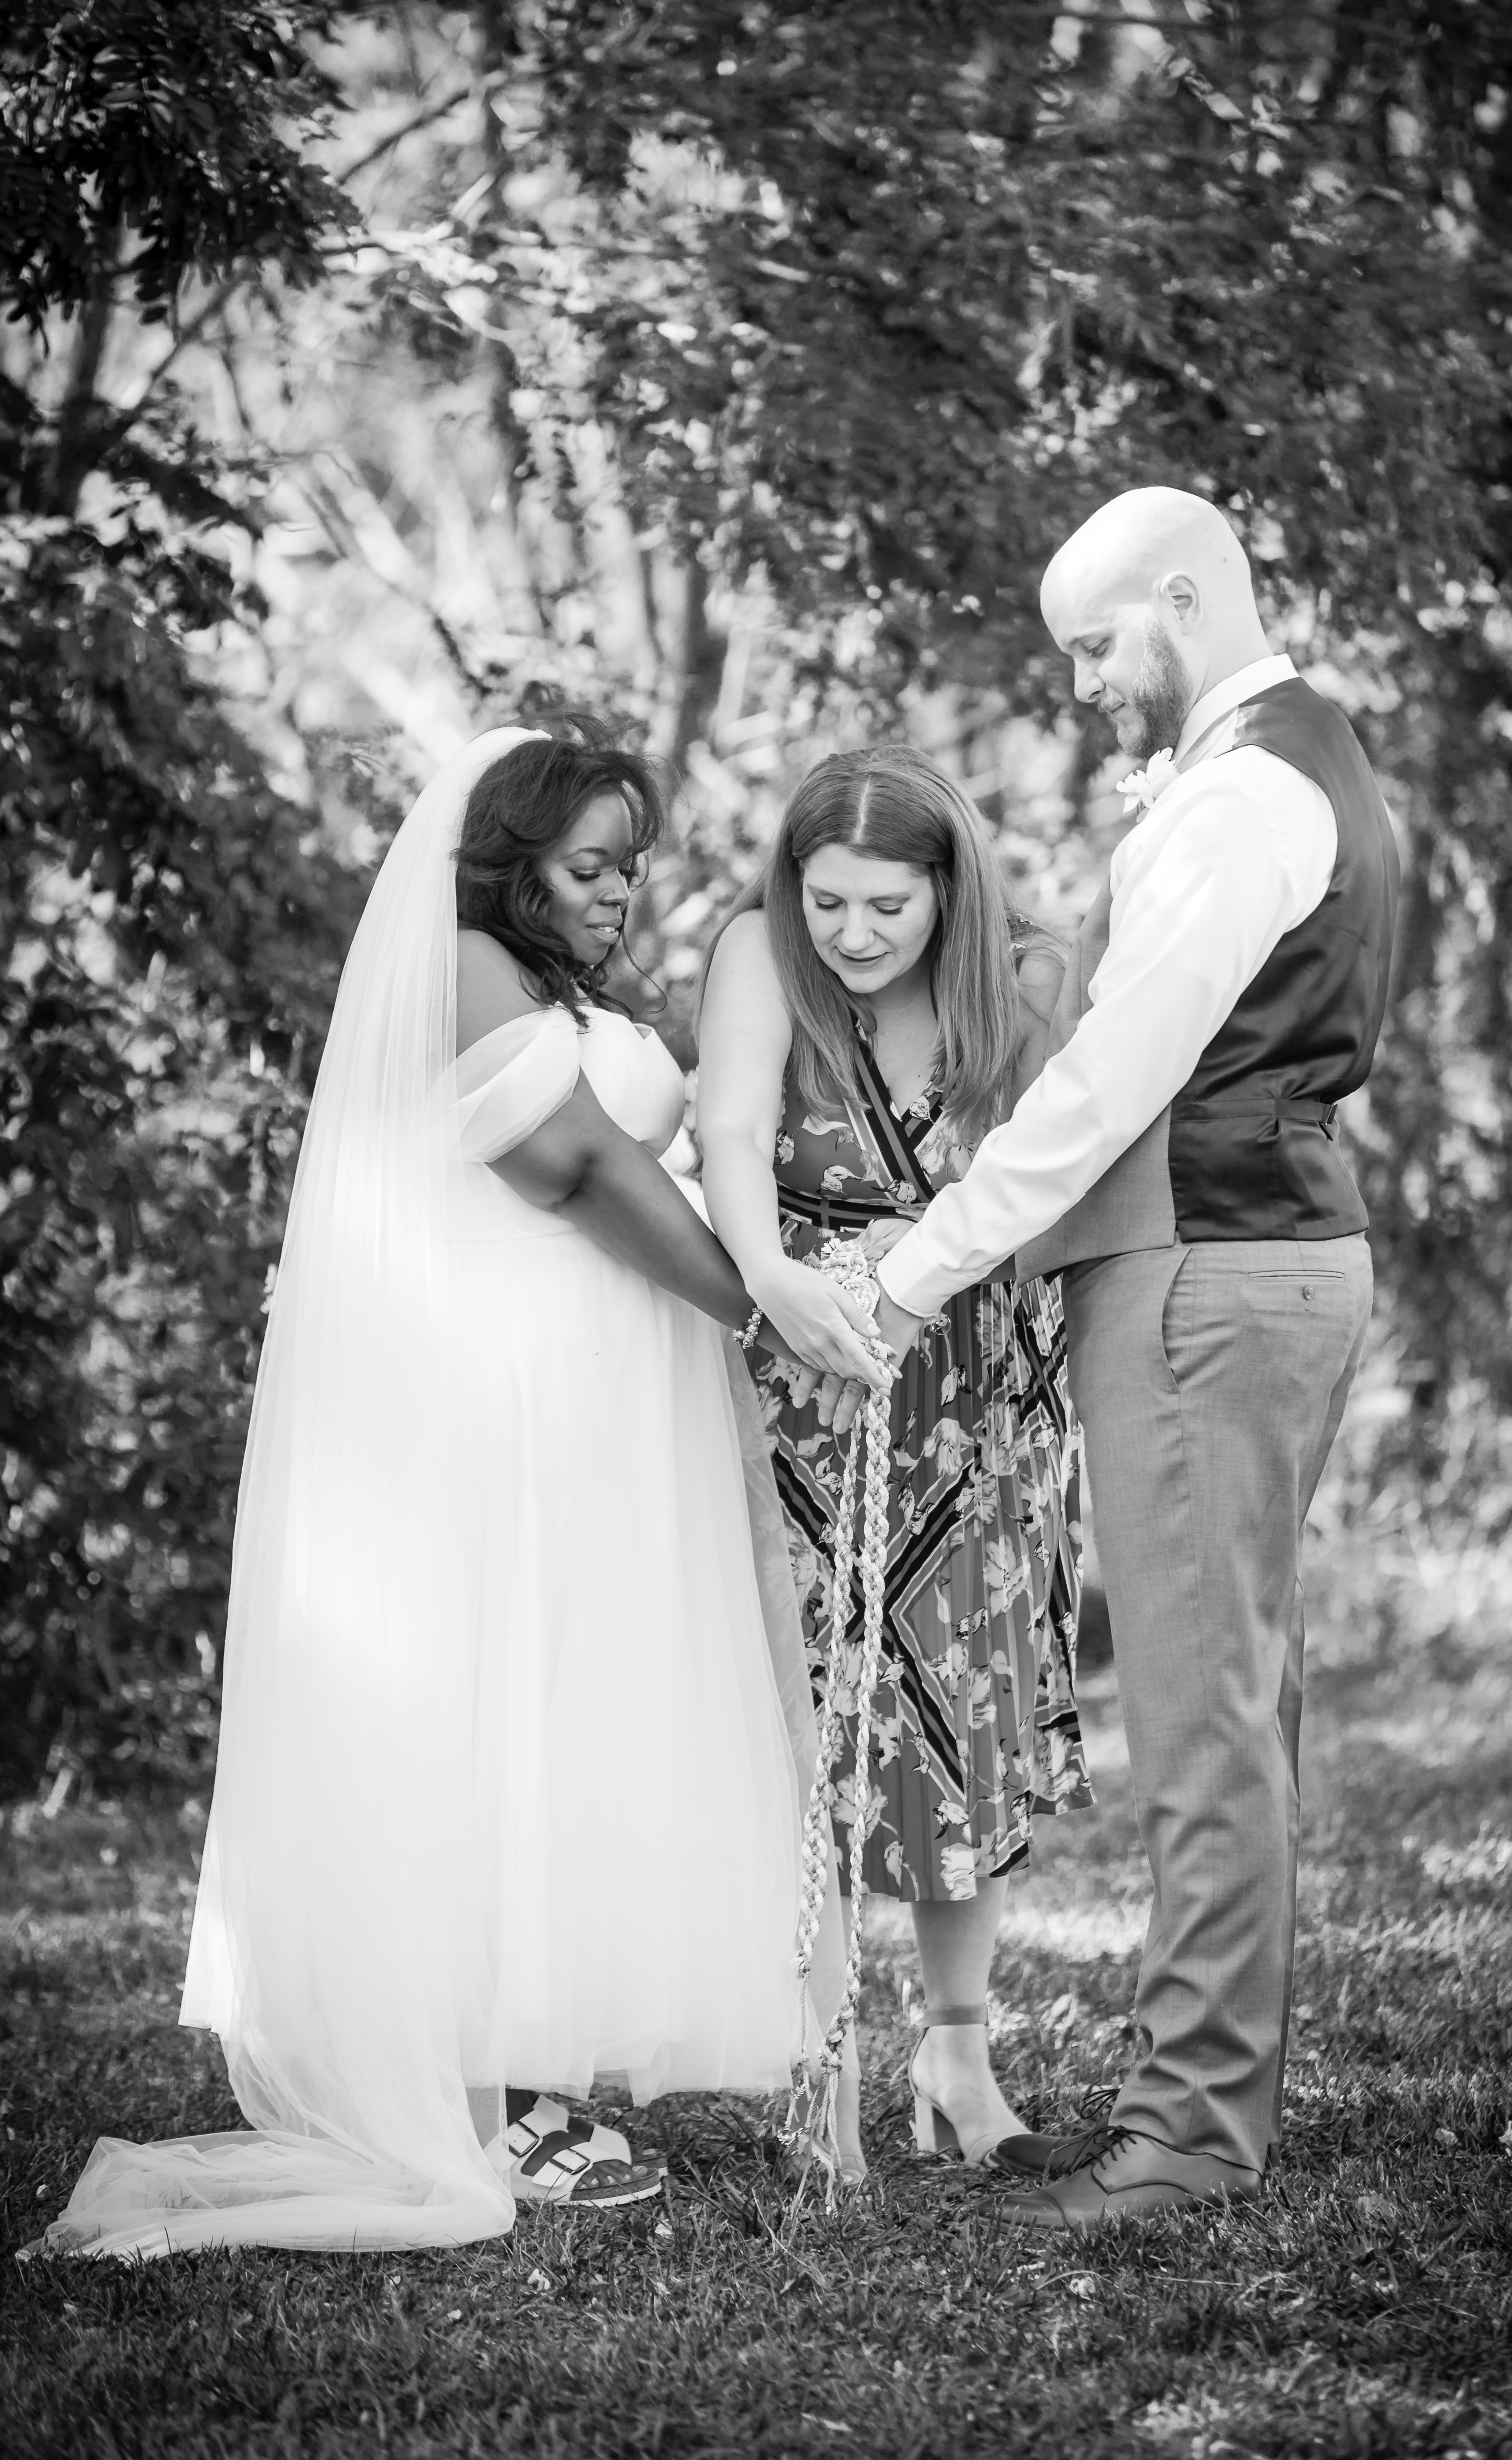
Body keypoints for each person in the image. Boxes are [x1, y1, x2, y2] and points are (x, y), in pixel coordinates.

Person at [34, 723, 879, 2261]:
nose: (620, 891)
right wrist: (767, 1306)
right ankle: (476, 2102)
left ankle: (525, 2064)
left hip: (600, 1406)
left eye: (630, 865)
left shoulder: (565, 989)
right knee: (493, 1720)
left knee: (563, 1715)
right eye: (590, 865)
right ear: (507, 861)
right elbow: (581, 1167)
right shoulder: (463, 963)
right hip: (501, 1409)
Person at [866, 490, 1401, 2231]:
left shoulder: (1240, 794)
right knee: (1233, 1701)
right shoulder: (1304, 763)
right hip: (1258, 1257)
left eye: (1096, 645)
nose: (1086, 683)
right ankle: (1202, 2101)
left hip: (1202, 1276)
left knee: (1200, 1720)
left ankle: (1184, 2137)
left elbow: (1115, 1076)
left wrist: (916, 1271)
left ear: (1185, 598)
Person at [696, 745, 1093, 2177]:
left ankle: (958, 2055)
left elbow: (1066, 1176)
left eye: (888, 906)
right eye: (829, 902)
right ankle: (820, 2058)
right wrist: (773, 1272)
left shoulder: (1030, 980)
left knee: (955, 1713)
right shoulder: (759, 955)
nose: (852, 934)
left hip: (975, 1396)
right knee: (808, 1715)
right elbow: (732, 1126)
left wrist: (927, 1264)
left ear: (949, 889)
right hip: (809, 1378)